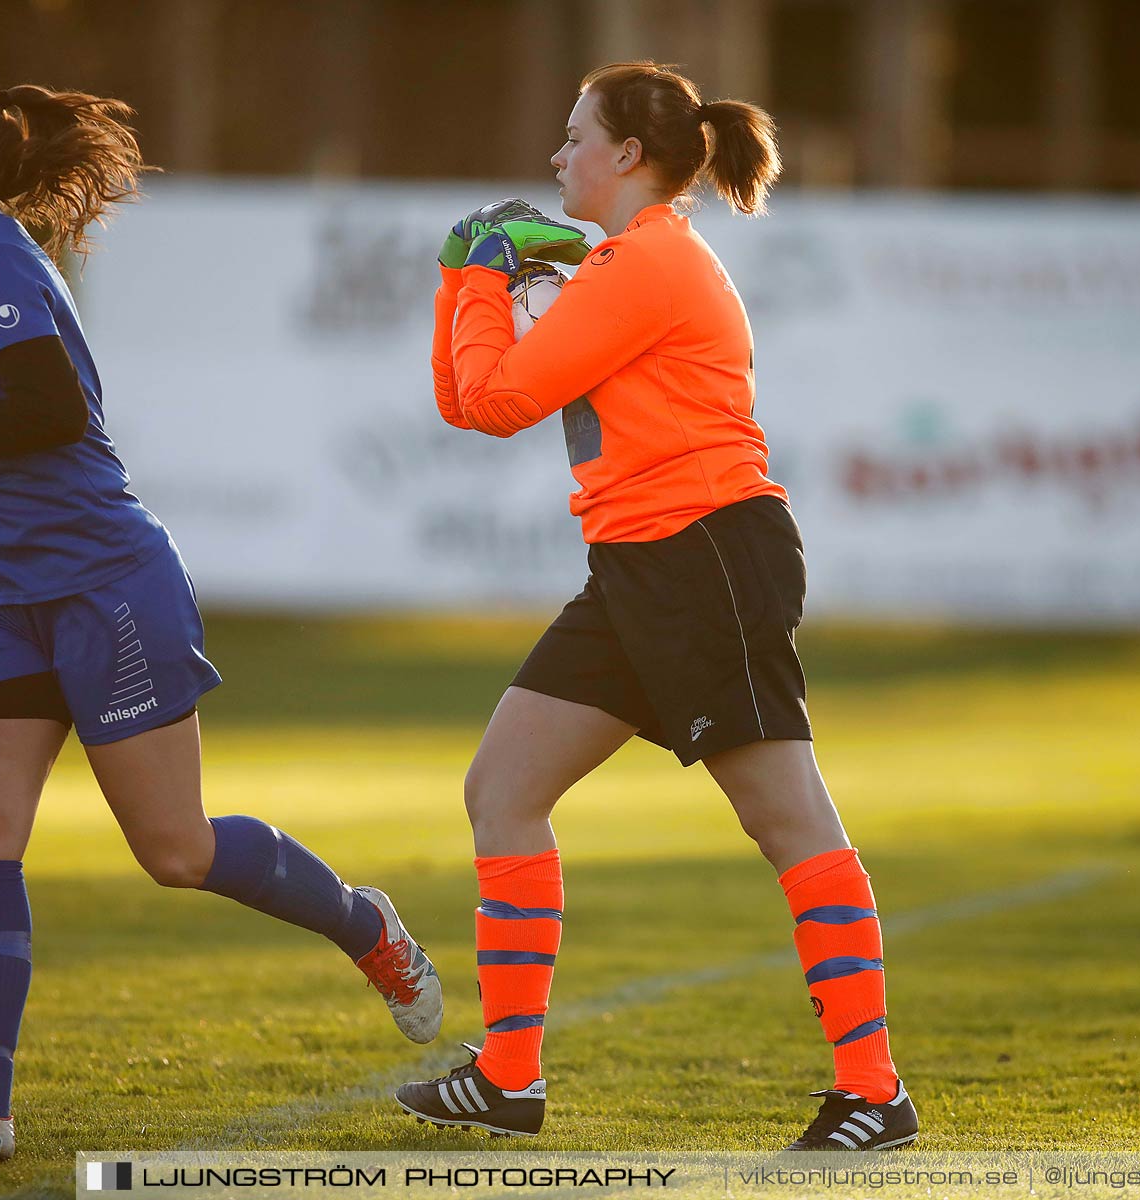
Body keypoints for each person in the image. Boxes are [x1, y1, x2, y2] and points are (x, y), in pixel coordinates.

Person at [0, 68, 441, 1165]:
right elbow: (10, 427)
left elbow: (57, 408)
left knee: (175, 850)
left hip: (105, 587)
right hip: (3, 601)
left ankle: (369, 927)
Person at [393, 62, 919, 1151]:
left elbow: (497, 400)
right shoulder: (617, 262)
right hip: (641, 564)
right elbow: (463, 397)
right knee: (503, 789)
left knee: (789, 824)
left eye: (575, 136)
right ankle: (508, 1077)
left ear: (629, 156)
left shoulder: (648, 261)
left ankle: (876, 1093)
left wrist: (489, 278)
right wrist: (466, 275)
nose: (557, 158)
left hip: (707, 558)